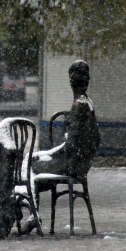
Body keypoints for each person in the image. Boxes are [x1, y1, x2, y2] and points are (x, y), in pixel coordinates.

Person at [22, 60, 101, 233]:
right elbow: (95, 139)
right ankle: (32, 212)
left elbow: (70, 146)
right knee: (33, 162)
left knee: (28, 163)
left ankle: (33, 214)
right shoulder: (88, 102)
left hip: (71, 165)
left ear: (72, 81)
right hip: (79, 164)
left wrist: (49, 153)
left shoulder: (79, 106)